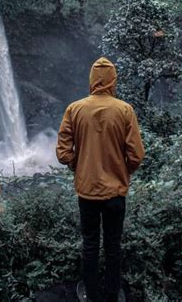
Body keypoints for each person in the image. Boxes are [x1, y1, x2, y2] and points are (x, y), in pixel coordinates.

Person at [56, 57, 145, 302]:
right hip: (116, 193)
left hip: (87, 192)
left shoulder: (74, 109)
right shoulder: (125, 110)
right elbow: (136, 154)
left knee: (90, 244)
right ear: (113, 80)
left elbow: (63, 153)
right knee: (114, 245)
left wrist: (78, 164)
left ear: (92, 80)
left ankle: (91, 294)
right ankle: (113, 293)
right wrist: (123, 171)